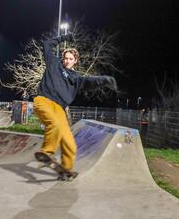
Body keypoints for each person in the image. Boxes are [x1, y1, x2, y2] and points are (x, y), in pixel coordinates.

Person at [33, 34, 117, 176]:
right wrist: (64, 38)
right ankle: (46, 152)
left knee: (69, 142)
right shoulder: (54, 63)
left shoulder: (76, 79)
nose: (67, 61)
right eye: (65, 58)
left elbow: (90, 82)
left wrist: (105, 80)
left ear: (75, 61)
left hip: (60, 108)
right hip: (43, 101)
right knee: (54, 125)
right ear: (62, 58)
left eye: (70, 59)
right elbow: (47, 44)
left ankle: (67, 168)